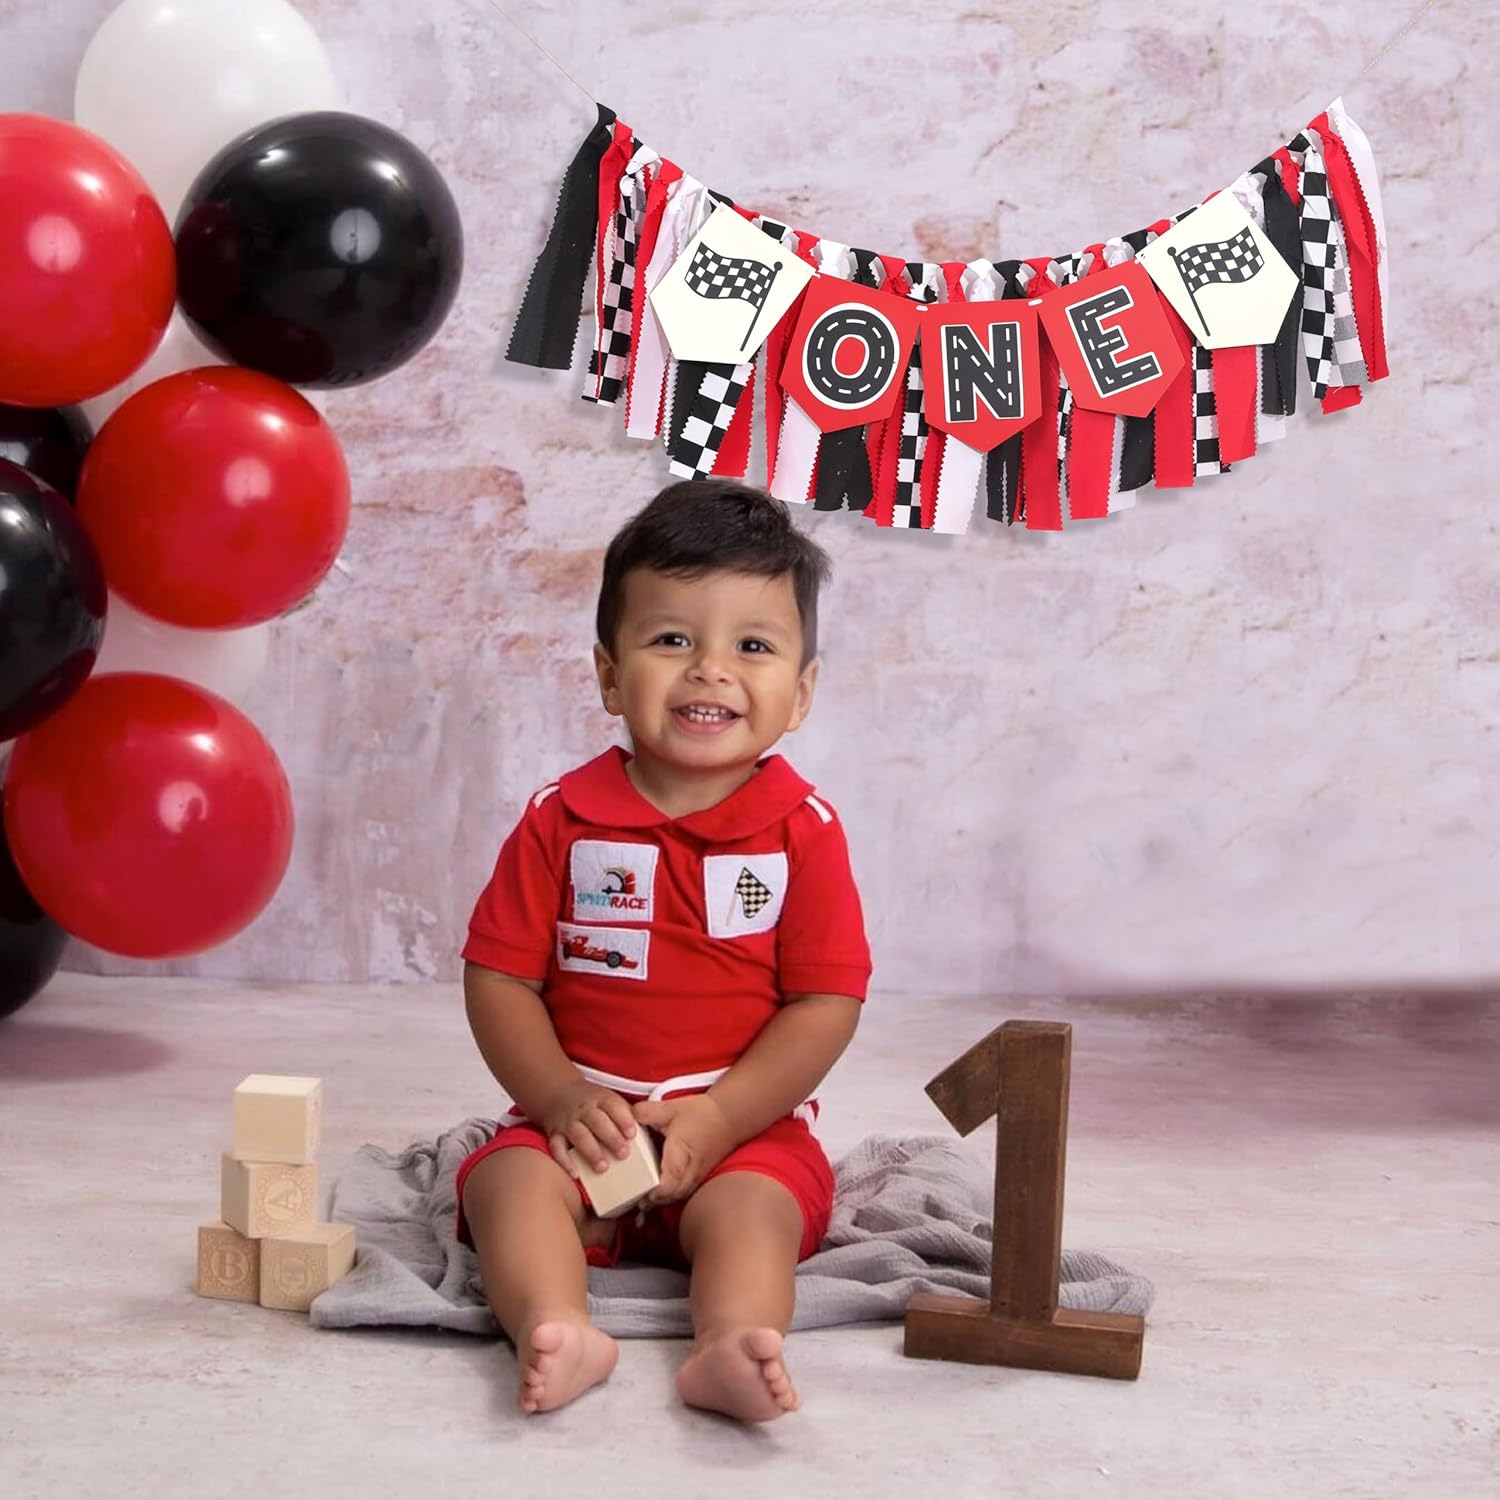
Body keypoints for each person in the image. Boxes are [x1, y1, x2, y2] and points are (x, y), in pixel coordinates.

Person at [458, 479, 871, 1421]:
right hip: (582, 1126)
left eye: (752, 647)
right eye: (673, 640)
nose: (710, 671)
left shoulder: (803, 832)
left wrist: (723, 1117)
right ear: (611, 676)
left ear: (801, 693)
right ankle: (557, 1326)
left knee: (754, 1215)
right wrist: (560, 1099)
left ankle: (730, 1344)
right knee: (505, 1185)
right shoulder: (559, 820)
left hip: (741, 1130)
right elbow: (500, 978)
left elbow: (825, 1004)